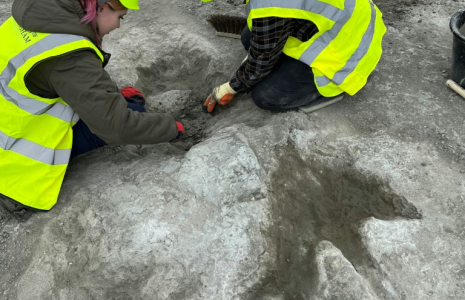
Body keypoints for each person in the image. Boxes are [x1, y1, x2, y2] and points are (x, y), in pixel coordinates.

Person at [0, 0, 184, 219]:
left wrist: (111, 96)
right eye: (120, 17)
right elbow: (116, 126)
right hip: (15, 162)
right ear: (102, 7)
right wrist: (171, 128)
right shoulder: (69, 54)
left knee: (124, 107)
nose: (118, 26)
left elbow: (62, 79)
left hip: (12, 120)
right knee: (132, 113)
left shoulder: (40, 13)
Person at [202, 0, 387, 113]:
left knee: (265, 96)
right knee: (248, 37)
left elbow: (262, 59)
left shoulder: (272, 2)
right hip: (336, 24)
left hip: (349, 48)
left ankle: (330, 90)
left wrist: (232, 87)